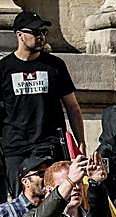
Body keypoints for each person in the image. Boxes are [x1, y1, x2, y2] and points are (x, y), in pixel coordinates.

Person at [0, 11, 84, 196]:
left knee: (56, 196)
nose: (41, 37)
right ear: (19, 35)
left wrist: (81, 142)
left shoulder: (55, 66)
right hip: (15, 147)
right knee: (20, 200)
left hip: (49, 144)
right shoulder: (4, 68)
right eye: (35, 32)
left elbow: (73, 107)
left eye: (43, 32)